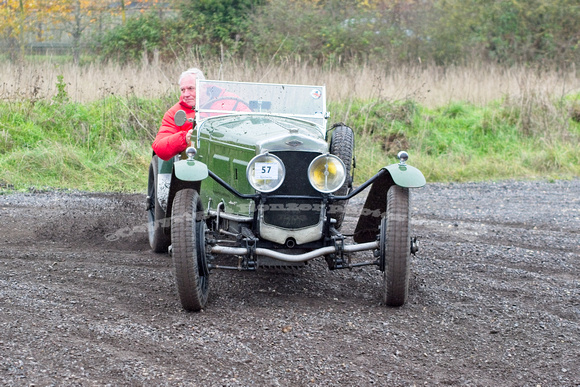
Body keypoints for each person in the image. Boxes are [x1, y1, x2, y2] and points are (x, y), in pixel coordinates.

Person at [152, 67, 205, 161]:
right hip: (191, 163)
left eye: (191, 88)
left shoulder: (228, 103)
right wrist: (185, 138)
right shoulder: (173, 113)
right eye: (183, 90)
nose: (186, 94)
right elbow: (159, 148)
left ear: (203, 87)